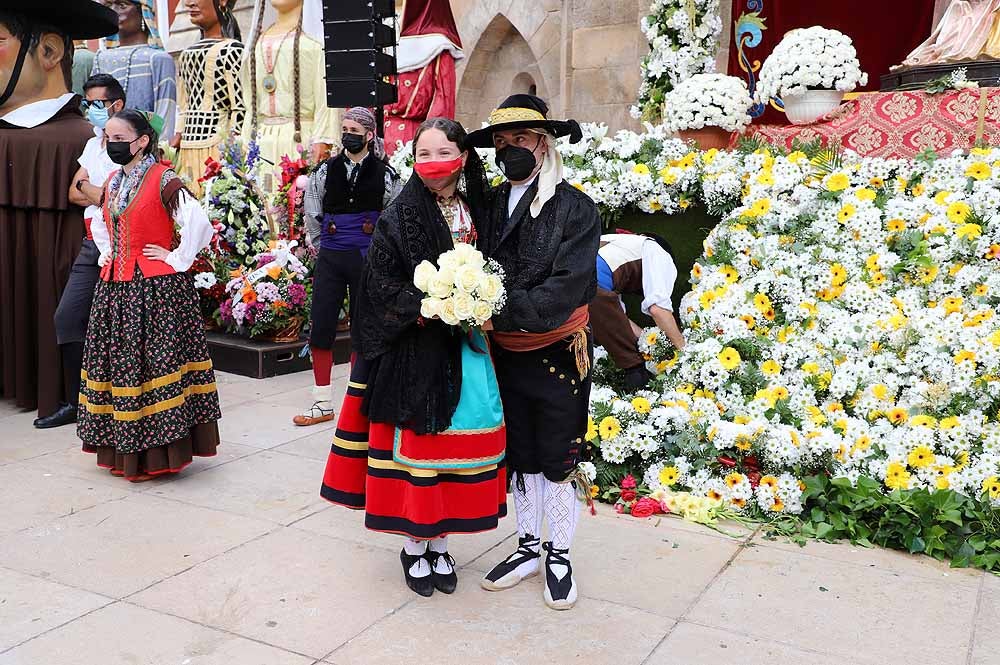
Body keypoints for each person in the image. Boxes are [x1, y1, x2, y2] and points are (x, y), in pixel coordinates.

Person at [319, 118, 506, 598]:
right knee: (420, 451)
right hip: (414, 347)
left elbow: (502, 265)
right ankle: (415, 545)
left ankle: (442, 542)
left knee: (456, 449)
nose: (432, 163)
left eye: (443, 152)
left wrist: (481, 300)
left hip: (467, 346)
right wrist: (430, 304)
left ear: (463, 155)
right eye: (423, 153)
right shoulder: (399, 215)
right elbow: (379, 283)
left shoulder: (480, 208)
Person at [469, 94, 601, 611]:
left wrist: (493, 306)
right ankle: (527, 547)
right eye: (501, 144)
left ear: (543, 145)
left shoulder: (575, 208)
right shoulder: (489, 204)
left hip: (557, 350)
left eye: (519, 141)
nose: (509, 151)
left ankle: (559, 553)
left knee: (559, 455)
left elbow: (565, 288)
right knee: (521, 453)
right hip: (506, 352)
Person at [77, 109, 221, 482]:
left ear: (142, 142)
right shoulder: (112, 181)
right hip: (116, 289)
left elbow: (198, 222)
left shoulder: (163, 178)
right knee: (123, 368)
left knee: (153, 367)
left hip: (155, 291)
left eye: (120, 138)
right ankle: (125, 451)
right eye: (108, 138)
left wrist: (176, 258)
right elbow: (100, 219)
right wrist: (107, 249)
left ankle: (155, 455)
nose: (112, 145)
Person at [0, 0, 119, 421]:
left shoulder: (91, 139)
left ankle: (73, 397)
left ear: (49, 52)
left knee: (66, 318)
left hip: (93, 255)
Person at [294, 107, 400, 426]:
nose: (348, 134)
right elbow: (312, 211)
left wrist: (381, 253)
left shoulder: (387, 173)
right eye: (345, 128)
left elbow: (392, 214)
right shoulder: (324, 171)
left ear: (369, 135)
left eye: (355, 129)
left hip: (367, 257)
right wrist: (323, 244)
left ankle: (356, 404)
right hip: (332, 255)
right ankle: (322, 402)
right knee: (322, 324)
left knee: (362, 328)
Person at [34, 74, 126, 429]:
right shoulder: (93, 144)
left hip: (126, 242)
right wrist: (96, 189)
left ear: (116, 104)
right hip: (93, 242)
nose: (91, 110)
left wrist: (92, 189)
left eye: (97, 103)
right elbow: (74, 192)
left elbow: (119, 196)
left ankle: (121, 402)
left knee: (123, 325)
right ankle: (77, 402)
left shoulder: (132, 138)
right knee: (67, 318)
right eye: (87, 102)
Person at [242, 0, 340, 188]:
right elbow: (250, 103)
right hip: (262, 142)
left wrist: (322, 139)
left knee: (296, 207)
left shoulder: (314, 41)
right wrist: (246, 139)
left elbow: (326, 98)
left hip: (301, 139)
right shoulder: (257, 41)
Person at [591, 231, 685, 391]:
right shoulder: (657, 251)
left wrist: (648, 341)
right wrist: (685, 351)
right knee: (634, 366)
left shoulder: (614, 243)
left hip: (560, 282)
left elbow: (618, 320)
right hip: (589, 285)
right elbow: (658, 309)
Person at [172, 0, 244, 194]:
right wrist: (178, 135)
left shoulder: (233, 50)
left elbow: (240, 106)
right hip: (187, 147)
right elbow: (184, 104)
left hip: (217, 147)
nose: (189, 3)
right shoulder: (186, 54)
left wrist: (232, 143)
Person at [382, 0, 463, 155]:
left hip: (416, 141)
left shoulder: (438, 46)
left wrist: (432, 145)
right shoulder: (386, 40)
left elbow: (442, 102)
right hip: (383, 141)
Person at [92, 0, 177, 137]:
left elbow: (165, 112)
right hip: (107, 147)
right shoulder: (100, 58)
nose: (113, 10)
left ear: (143, 11)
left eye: (122, 5)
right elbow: (95, 110)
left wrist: (161, 151)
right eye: (109, 5)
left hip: (147, 148)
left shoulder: (158, 59)